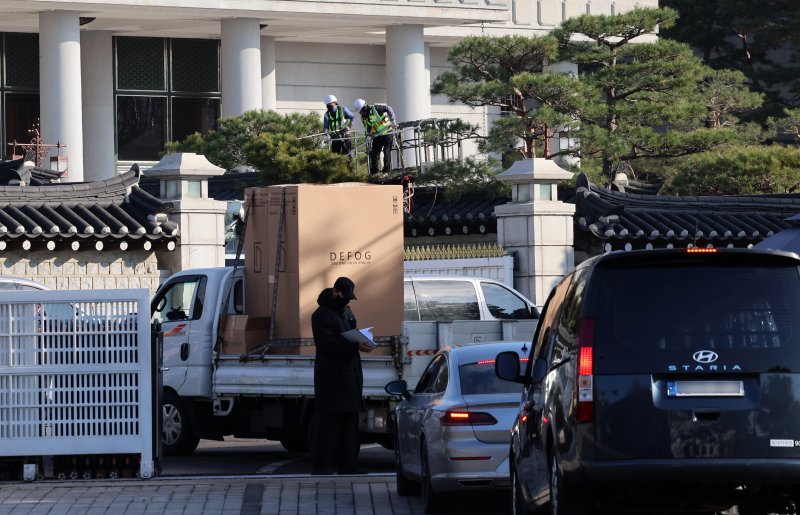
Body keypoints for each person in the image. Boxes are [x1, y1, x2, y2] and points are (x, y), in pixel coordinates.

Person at [310, 276, 373, 475]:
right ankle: (321, 466)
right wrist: (356, 345)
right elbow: (326, 344)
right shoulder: (321, 315)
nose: (347, 302)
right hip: (330, 378)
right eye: (345, 297)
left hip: (349, 375)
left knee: (350, 424)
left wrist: (361, 340)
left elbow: (350, 332)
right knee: (327, 425)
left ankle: (349, 465)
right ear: (336, 291)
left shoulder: (345, 311)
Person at [353, 98, 397, 175]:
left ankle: (386, 171)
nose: (361, 113)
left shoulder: (376, 108)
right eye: (360, 112)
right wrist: (370, 134)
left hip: (387, 133)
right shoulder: (363, 117)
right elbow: (367, 127)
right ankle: (375, 172)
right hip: (377, 136)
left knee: (386, 152)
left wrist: (393, 120)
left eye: (362, 111)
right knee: (374, 154)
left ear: (365, 107)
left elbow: (388, 108)